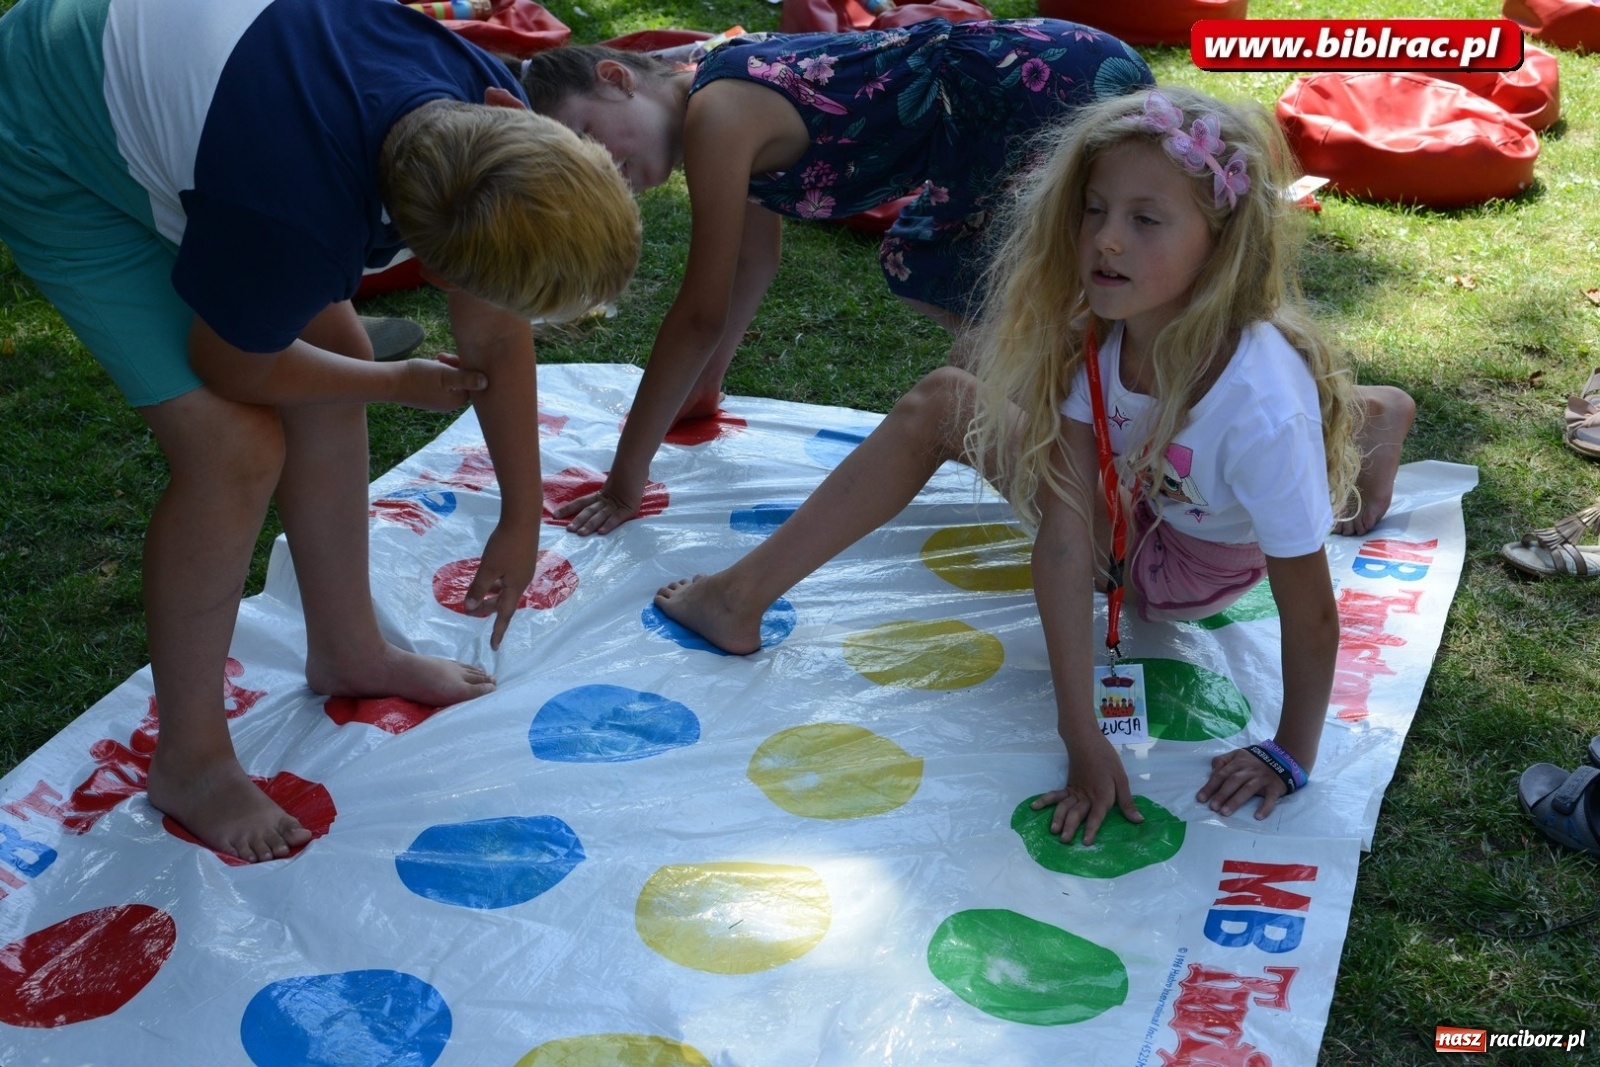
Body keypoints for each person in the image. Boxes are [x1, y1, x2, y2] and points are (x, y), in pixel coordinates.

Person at [0, 0, 640, 862]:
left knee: (328, 345)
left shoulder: (478, 106)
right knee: (233, 447)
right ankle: (189, 760)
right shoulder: (296, 213)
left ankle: (347, 649)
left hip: (188, 97)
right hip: (43, 133)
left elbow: (491, 334)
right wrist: (394, 382)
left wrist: (522, 512)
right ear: (427, 258)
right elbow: (234, 367)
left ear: (511, 113)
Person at [656, 86, 1377, 846]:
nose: (1106, 240)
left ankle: (1367, 417)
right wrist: (1081, 730)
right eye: (1094, 210)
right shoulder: (1098, 329)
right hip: (1134, 501)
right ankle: (1373, 412)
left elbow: (1312, 612)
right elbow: (1067, 535)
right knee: (959, 386)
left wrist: (1290, 754)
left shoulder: (1264, 407)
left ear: (1220, 241)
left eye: (1145, 219)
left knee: (954, 401)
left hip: (1182, 568)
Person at [518, 19, 1158, 535]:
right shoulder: (712, 106)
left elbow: (700, 312)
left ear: (616, 79)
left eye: (587, 138)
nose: (600, 169)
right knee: (924, 265)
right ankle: (1078, 438)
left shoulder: (716, 116)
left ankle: (1095, 477)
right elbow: (752, 264)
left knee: (1034, 304)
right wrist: (704, 392)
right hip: (1012, 106)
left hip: (1044, 85)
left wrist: (624, 481)